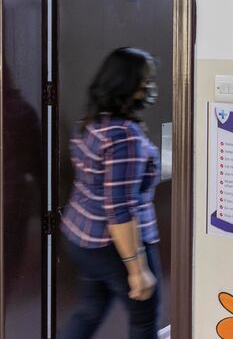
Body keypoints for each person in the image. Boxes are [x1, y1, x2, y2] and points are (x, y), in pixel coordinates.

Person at [61, 47, 162, 339]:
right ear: (127, 84)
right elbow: (119, 208)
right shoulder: (124, 136)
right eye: (146, 81)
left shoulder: (92, 121)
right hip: (113, 244)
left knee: (89, 310)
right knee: (144, 320)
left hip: (81, 236)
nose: (150, 88)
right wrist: (136, 268)